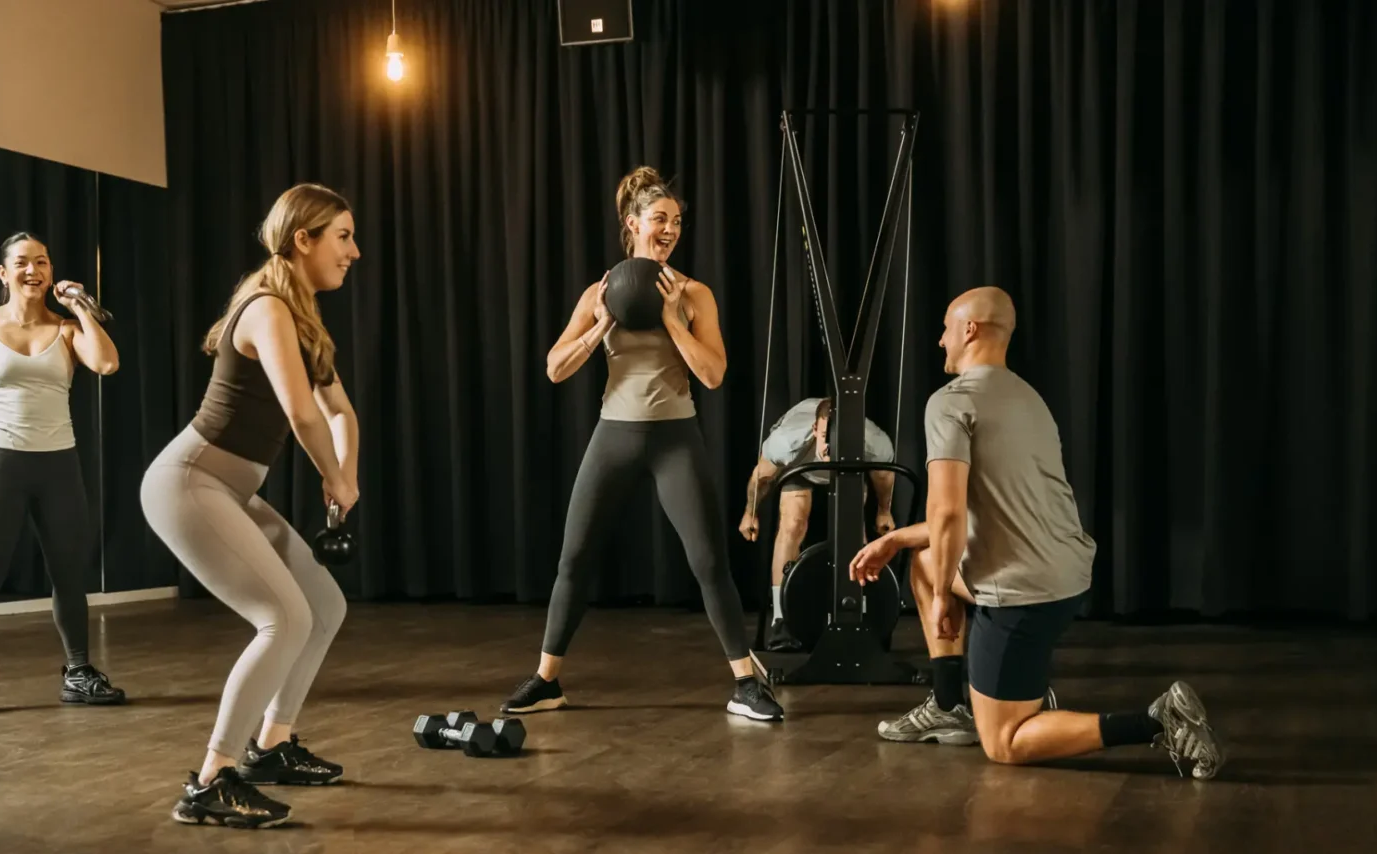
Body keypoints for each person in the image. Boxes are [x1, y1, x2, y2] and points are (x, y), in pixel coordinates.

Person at [851, 286, 1223, 778]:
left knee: (1004, 743)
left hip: (1021, 593)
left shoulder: (951, 401)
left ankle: (1157, 722)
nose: (940, 340)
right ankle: (948, 705)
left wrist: (943, 595)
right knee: (921, 560)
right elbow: (998, 511)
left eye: (945, 328)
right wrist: (897, 539)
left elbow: (948, 514)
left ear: (969, 330)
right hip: (1065, 573)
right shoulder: (1027, 397)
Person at [499, 166, 784, 723]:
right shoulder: (601, 291)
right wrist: (599, 322)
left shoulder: (694, 292)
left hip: (675, 435)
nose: (671, 229)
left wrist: (676, 321)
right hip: (615, 434)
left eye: (677, 222)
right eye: (660, 219)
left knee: (708, 561)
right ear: (633, 224)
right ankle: (547, 680)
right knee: (574, 559)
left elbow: (714, 375)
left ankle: (745, 683)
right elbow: (556, 368)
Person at [141, 183, 361, 829]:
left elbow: (338, 410)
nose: (354, 251)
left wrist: (345, 474)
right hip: (188, 482)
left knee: (324, 605)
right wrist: (332, 475)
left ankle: (270, 748)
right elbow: (300, 412)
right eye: (343, 236)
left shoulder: (301, 318)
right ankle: (209, 781)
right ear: (304, 238)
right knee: (284, 617)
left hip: (230, 490)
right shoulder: (266, 307)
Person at [0, 232, 126, 718]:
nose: (32, 270)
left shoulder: (67, 329)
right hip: (2, 462)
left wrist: (80, 306)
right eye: (22, 263)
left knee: (68, 575)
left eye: (42, 262)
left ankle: (78, 674)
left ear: (52, 272)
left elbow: (107, 362)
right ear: (4, 273)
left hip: (59, 464)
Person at [738, 396, 897, 650]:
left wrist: (883, 511)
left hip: (850, 465)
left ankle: (861, 613)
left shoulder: (872, 443)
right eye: (826, 437)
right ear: (815, 430)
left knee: (855, 531)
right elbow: (761, 478)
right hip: (802, 466)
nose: (831, 447)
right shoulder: (787, 442)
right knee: (792, 522)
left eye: (839, 438)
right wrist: (750, 512)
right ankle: (782, 619)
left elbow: (883, 477)